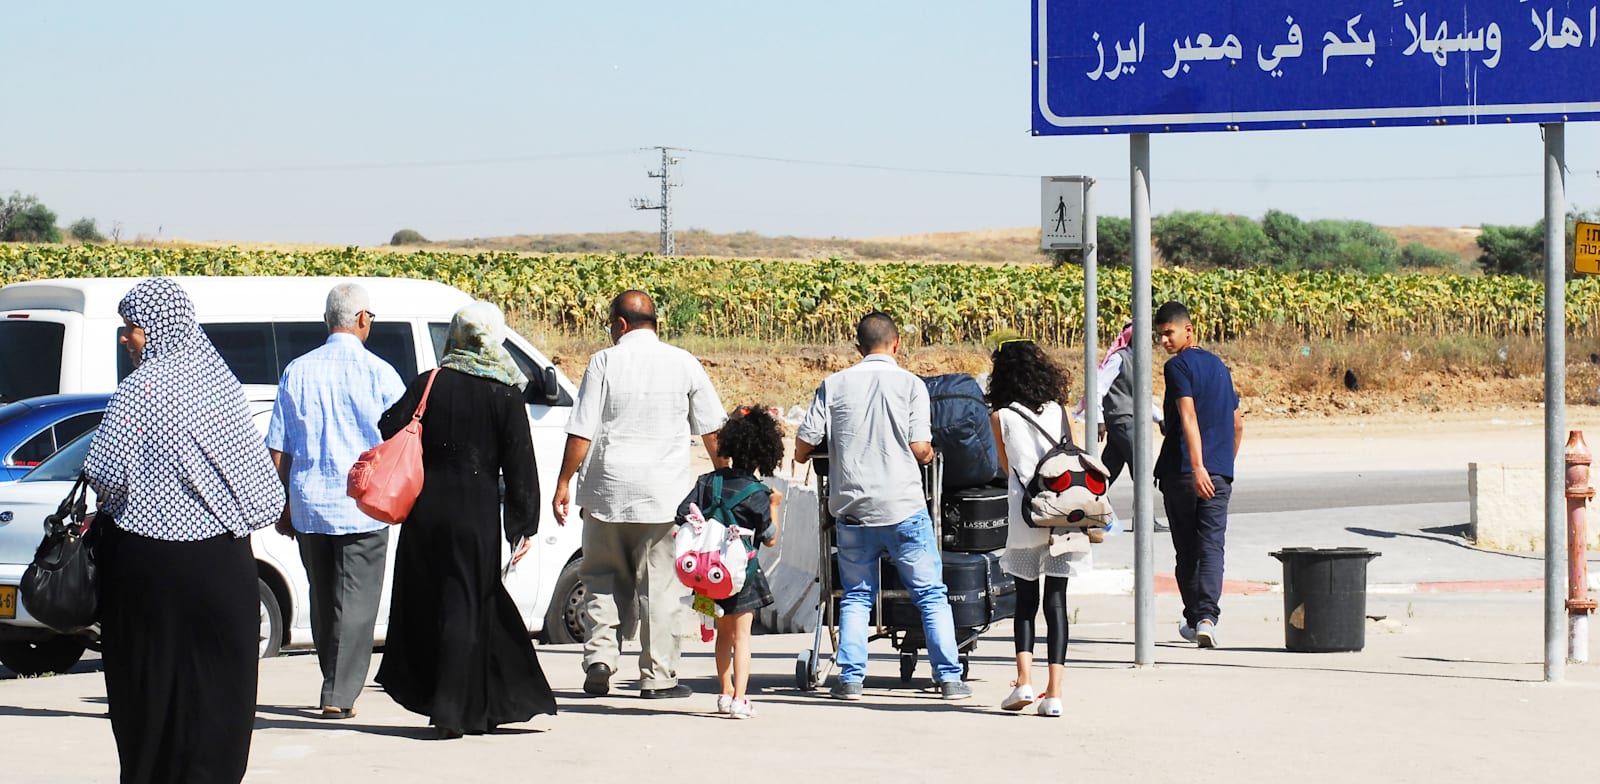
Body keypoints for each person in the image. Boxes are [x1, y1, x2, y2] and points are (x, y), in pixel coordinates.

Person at [85, 277, 286, 784]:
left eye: (131, 328)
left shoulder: (139, 390)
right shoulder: (221, 385)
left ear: (156, 329)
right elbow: (263, 491)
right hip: (221, 566)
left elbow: (104, 472)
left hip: (146, 566)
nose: (126, 338)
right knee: (219, 689)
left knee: (149, 687)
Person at [375, 301, 555, 738]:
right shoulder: (504, 392)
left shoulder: (430, 382)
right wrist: (523, 525)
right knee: (466, 603)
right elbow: (520, 466)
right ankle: (454, 710)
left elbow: (389, 425)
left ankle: (461, 704)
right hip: (474, 514)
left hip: (425, 510)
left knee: (431, 600)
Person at [552, 290, 727, 700]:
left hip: (606, 493)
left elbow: (582, 430)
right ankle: (658, 677)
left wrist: (564, 481)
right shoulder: (684, 363)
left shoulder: (603, 362)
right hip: (662, 499)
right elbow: (713, 431)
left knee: (601, 578)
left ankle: (600, 658)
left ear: (620, 324)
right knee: (660, 588)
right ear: (655, 323)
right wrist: (726, 479)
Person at [794, 311, 974, 702]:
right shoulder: (911, 385)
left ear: (858, 348)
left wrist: (811, 452)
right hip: (903, 508)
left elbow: (804, 444)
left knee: (857, 596)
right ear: (896, 345)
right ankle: (949, 678)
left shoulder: (834, 384)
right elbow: (920, 447)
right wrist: (929, 456)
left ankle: (851, 680)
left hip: (853, 511)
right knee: (930, 594)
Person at [265, 283, 406, 720]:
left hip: (310, 504)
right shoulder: (381, 373)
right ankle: (339, 693)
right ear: (362, 319)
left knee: (324, 599)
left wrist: (282, 502)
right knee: (357, 603)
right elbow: (402, 442)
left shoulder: (297, 370)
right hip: (364, 506)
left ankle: (333, 680)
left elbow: (278, 446)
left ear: (328, 321)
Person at [987, 339, 1090, 717]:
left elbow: (1005, 467)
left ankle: (1024, 681)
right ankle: (1055, 694)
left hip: (1026, 513)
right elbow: (1074, 457)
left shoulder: (1001, 417)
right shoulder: (1061, 411)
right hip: (1064, 514)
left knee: (1026, 601)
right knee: (1057, 601)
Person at [675, 405, 784, 719]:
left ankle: (724, 693)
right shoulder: (758, 493)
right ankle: (740, 699)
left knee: (723, 635)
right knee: (742, 637)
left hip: (708, 575)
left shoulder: (707, 482)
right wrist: (774, 505)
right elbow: (770, 538)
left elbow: (681, 514)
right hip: (741, 575)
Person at [1153, 301, 1243, 649]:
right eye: (1160, 335)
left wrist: (1198, 466)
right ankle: (1207, 618)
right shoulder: (1220, 366)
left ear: (1188, 330)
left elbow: (1188, 416)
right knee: (1212, 547)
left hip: (1184, 471)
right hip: (1218, 473)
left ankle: (1195, 618)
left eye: (1168, 333)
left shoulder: (1177, 366)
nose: (1164, 341)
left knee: (1188, 551)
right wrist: (1221, 465)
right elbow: (1237, 423)